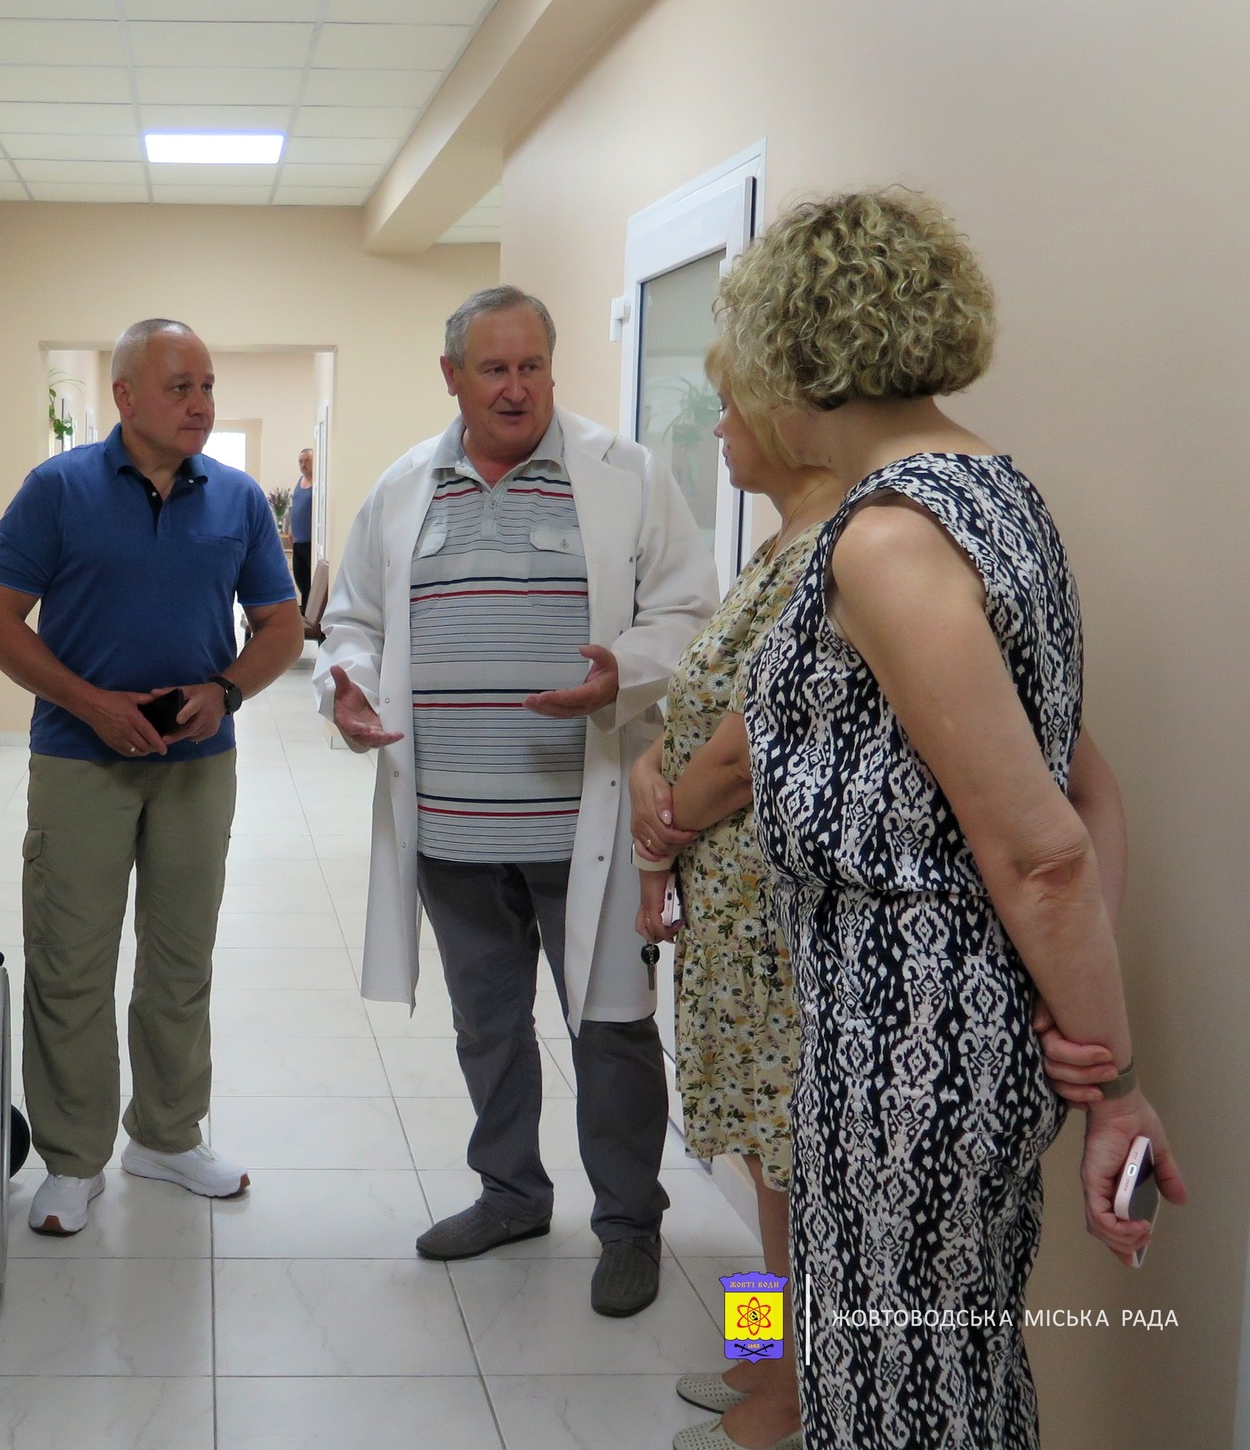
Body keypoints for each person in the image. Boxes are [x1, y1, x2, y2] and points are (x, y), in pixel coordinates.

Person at [730, 191, 1187, 1450]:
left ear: (793, 349)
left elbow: (1041, 847)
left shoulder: (885, 541)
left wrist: (1115, 1083)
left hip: (908, 1048)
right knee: (954, 1384)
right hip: (952, 1034)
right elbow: (1084, 791)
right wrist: (1081, 1042)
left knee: (895, 1400)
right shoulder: (996, 497)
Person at [314, 286, 718, 1317]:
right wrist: (344, 685)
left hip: (585, 819)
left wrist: (622, 670)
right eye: (492, 369)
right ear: (452, 376)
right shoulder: (404, 485)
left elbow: (688, 610)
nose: (515, 387)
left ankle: (627, 1224)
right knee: (486, 1024)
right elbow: (352, 618)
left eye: (531, 365)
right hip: (449, 824)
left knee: (611, 1029)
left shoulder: (625, 475)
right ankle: (510, 1194)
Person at [0, 317, 303, 1237]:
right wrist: (93, 704)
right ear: (124, 396)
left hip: (196, 765)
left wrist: (224, 692)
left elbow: (280, 626)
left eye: (208, 386)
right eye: (179, 387)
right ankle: (72, 1159)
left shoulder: (237, 499)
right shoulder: (58, 489)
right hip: (81, 761)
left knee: (181, 960)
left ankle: (165, 1135)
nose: (200, 404)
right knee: (70, 960)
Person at [625, 339, 837, 1449]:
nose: (716, 429)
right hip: (728, 917)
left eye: (731, 409)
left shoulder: (832, 556)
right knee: (757, 1166)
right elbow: (699, 710)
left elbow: (749, 748)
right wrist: (647, 771)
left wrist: (664, 821)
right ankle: (762, 1361)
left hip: (771, 922)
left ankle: (791, 1393)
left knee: (784, 1171)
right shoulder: (774, 545)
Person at [286, 446, 315, 608]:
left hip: (311, 542)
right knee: (300, 578)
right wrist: (291, 528)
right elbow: (294, 506)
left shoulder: (317, 484)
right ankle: (304, 610)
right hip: (297, 541)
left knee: (309, 582)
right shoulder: (299, 482)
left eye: (307, 461)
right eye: (301, 462)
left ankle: (308, 612)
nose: (304, 465)